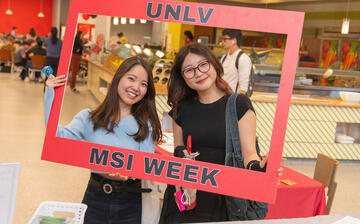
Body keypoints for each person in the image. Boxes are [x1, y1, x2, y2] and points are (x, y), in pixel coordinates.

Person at [44, 56, 162, 223]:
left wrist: (129, 172)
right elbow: (56, 139)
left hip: (132, 201)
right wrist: (51, 94)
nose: (136, 87)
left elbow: (144, 165)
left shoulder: (146, 125)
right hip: (95, 198)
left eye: (144, 84)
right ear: (118, 78)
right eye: (131, 78)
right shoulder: (89, 118)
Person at [159, 43, 268, 223]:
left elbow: (249, 154)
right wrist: (183, 154)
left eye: (203, 64)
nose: (198, 73)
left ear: (214, 65)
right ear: (183, 77)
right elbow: (178, 146)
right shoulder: (182, 107)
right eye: (189, 70)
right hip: (186, 197)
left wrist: (259, 168)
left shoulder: (238, 104)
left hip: (223, 200)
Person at [220, 29, 252, 94]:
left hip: (233, 99)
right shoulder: (224, 57)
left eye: (225, 39)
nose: (222, 42)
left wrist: (236, 102)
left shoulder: (243, 58)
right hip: (222, 97)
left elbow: (243, 87)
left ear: (234, 40)